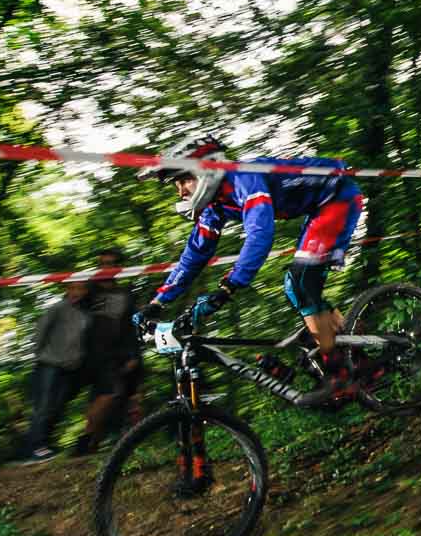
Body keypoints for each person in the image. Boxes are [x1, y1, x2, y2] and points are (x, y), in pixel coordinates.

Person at [133, 136, 367, 407]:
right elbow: (194, 255)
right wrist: (157, 302)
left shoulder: (245, 178)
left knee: (300, 281)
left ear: (205, 169)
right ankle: (354, 346)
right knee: (300, 288)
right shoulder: (215, 205)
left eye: (183, 181)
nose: (181, 192)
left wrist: (230, 285)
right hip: (317, 207)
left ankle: (340, 375)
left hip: (337, 197)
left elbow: (260, 234)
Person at [74, 248, 142, 455]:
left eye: (111, 263)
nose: (106, 267)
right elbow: (72, 309)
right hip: (89, 354)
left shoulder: (126, 295)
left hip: (116, 354)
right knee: (104, 395)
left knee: (113, 396)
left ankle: (90, 442)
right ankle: (87, 440)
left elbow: (133, 327)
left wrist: (134, 354)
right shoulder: (89, 292)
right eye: (102, 263)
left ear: (118, 268)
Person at [20, 280, 89, 462]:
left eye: (80, 288)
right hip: (49, 363)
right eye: (73, 287)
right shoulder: (57, 308)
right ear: (67, 289)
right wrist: (38, 355)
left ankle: (45, 444)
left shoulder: (85, 314)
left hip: (69, 367)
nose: (76, 292)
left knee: (58, 406)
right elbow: (40, 331)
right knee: (43, 406)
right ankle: (34, 447)